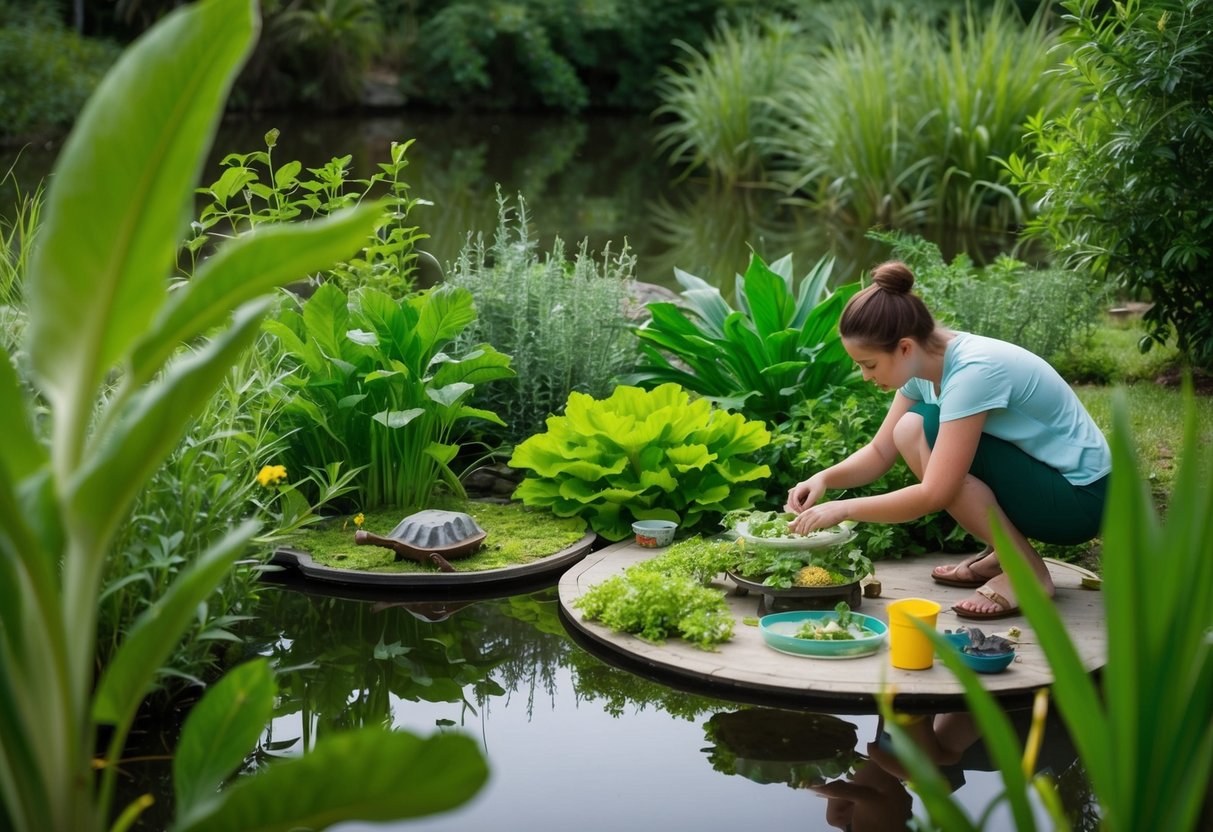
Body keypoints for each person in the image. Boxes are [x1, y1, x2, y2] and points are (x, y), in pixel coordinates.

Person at [784, 261, 1110, 619]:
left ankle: (1026, 573)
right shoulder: (925, 363)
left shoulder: (972, 373)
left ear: (904, 347)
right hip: (1048, 480)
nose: (864, 376)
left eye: (870, 365)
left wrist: (844, 509)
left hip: (1080, 499)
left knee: (919, 429)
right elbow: (880, 451)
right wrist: (824, 479)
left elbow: (935, 493)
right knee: (912, 428)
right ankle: (1006, 553)